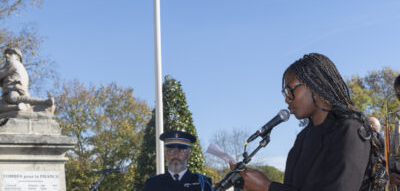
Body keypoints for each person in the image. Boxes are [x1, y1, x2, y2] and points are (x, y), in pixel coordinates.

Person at [232, 53, 387, 191]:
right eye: (284, 92)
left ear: (316, 84)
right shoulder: (302, 138)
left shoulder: (351, 129)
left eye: (290, 89)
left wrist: (267, 187)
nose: (286, 98)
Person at [143, 130, 213, 191]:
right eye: (171, 150)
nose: (176, 155)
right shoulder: (153, 184)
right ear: (165, 154)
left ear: (188, 154)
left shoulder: (202, 183)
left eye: (181, 150)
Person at [0, 48, 53, 113]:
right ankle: (19, 107)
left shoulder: (12, 63)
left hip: (14, 89)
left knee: (13, 98)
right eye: (6, 54)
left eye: (10, 53)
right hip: (20, 90)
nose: (7, 55)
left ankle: (43, 101)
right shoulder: (22, 67)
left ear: (17, 57)